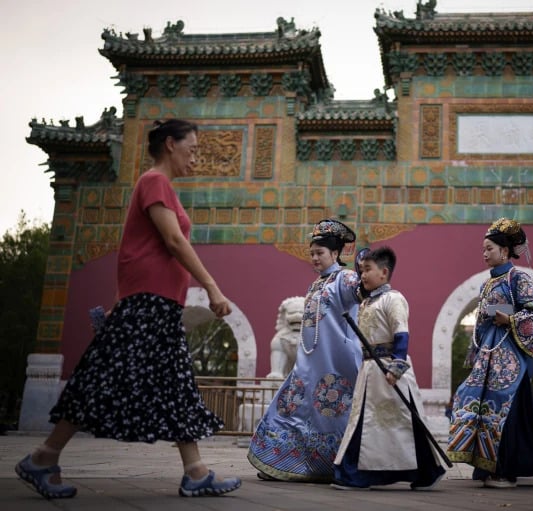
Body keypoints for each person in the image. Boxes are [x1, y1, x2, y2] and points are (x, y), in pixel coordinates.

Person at [14, 119, 241, 499]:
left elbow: (135, 249)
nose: (196, 156)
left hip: (158, 304)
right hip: (149, 304)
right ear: (170, 144)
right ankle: (43, 456)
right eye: (193, 147)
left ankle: (196, 471)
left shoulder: (161, 186)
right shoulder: (154, 182)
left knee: (177, 385)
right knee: (103, 379)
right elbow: (172, 241)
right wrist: (212, 286)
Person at [446, 218, 533, 489]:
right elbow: (484, 323)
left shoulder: (518, 278)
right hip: (488, 356)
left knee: (503, 411)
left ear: (505, 251)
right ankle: (487, 467)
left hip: (510, 358)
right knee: (479, 405)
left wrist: (509, 319)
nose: (484, 253)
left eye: (489, 248)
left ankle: (505, 470)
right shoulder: (487, 285)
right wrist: (475, 353)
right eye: (483, 249)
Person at [247, 219, 362, 482]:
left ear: (335, 253)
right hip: (308, 364)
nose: (314, 258)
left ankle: (333, 468)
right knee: (289, 410)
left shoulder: (345, 279)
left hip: (336, 366)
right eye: (311, 253)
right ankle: (282, 463)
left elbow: (363, 291)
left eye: (319, 253)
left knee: (331, 420)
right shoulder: (316, 285)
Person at [332, 247, 446, 490]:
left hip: (388, 371)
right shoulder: (367, 302)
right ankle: (424, 472)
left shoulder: (393, 299)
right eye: (361, 270)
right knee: (372, 423)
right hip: (370, 371)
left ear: (384, 273)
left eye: (368, 269)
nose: (362, 275)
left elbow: (401, 334)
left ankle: (359, 474)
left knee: (402, 422)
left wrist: (396, 368)